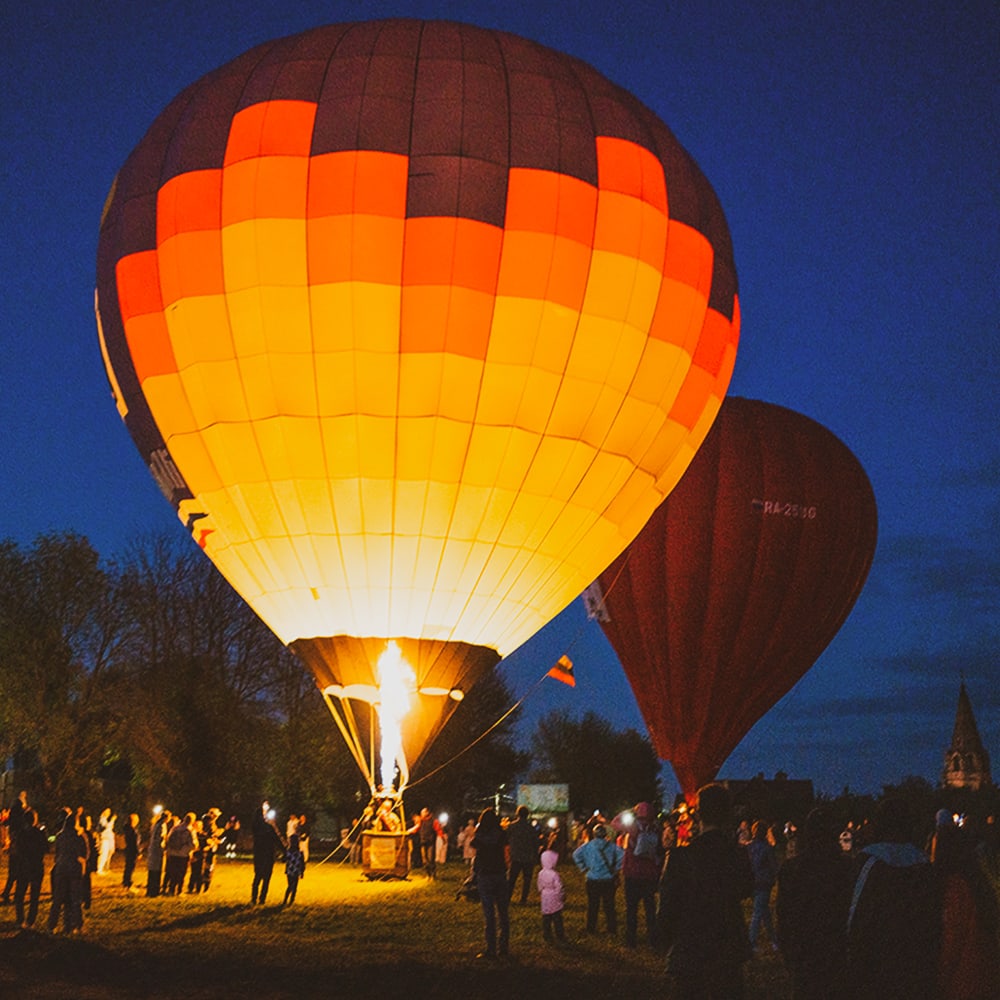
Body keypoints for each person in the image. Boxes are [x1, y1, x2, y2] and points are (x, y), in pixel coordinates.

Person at [658, 783, 754, 999]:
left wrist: (664, 940)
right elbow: (746, 887)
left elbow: (668, 906)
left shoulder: (679, 858)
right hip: (727, 948)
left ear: (698, 814)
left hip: (690, 948)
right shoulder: (738, 856)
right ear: (728, 814)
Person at [845, 795, 940, 999]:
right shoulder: (923, 864)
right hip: (916, 960)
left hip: (878, 960)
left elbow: (856, 911)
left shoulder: (869, 861)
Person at [775, 806, 854, 1000]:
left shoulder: (791, 869)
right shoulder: (847, 868)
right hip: (836, 952)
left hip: (804, 953)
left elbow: (783, 915)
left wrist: (788, 952)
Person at [931, 819, 999, 999]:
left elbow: (951, 940)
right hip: (986, 978)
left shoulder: (955, 889)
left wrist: (938, 980)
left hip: (962, 982)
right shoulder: (979, 883)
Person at [620, 801, 661, 948]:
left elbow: (614, 823)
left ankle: (631, 940)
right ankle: (653, 940)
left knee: (631, 909)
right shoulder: (656, 828)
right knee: (650, 909)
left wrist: (630, 811)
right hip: (649, 874)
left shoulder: (632, 827)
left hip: (632, 873)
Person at [471, 807, 510, 959]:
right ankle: (504, 947)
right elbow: (506, 852)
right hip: (499, 873)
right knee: (503, 913)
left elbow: (474, 851)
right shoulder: (502, 834)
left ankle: (491, 949)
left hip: (485, 875)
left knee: (489, 914)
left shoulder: (479, 835)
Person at [572, 822, 624, 934]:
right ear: (605, 834)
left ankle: (591, 928)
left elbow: (576, 855)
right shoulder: (611, 846)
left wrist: (584, 868)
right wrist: (616, 868)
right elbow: (622, 855)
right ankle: (611, 928)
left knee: (592, 905)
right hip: (608, 879)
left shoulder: (588, 845)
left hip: (592, 879)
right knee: (609, 905)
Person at [47, 810, 89, 935]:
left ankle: (52, 925)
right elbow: (85, 854)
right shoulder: (80, 836)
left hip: (61, 868)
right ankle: (78, 925)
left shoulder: (60, 836)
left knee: (58, 898)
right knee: (75, 899)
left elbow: (57, 852)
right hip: (74, 869)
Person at [746, 820, 779, 953]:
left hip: (753, 882)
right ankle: (751, 943)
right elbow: (773, 866)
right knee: (758, 913)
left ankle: (774, 940)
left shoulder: (749, 847)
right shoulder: (767, 848)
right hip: (764, 883)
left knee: (764, 912)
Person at [12, 808, 47, 929]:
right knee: (34, 895)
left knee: (20, 895)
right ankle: (30, 921)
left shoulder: (21, 834)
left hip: (24, 866)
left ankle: (20, 919)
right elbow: (45, 848)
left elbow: (18, 850)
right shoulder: (39, 833)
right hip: (36, 866)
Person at [250, 801, 285, 905]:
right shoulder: (269, 827)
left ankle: (253, 898)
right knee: (266, 877)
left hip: (258, 854)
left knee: (257, 876)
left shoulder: (255, 827)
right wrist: (285, 851)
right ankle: (262, 899)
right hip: (268, 854)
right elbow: (277, 839)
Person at [506, 805, 540, 904]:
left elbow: (506, 839)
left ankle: (508, 897)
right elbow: (536, 843)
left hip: (515, 856)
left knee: (511, 879)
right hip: (528, 857)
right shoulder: (531, 829)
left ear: (517, 814)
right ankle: (523, 899)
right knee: (527, 880)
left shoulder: (512, 826)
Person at [536, 848, 566, 943]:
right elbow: (559, 887)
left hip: (545, 896)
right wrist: (561, 895)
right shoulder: (554, 874)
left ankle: (547, 934)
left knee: (546, 918)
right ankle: (559, 935)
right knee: (557, 918)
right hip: (554, 896)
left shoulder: (541, 873)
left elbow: (539, 885)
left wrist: (541, 891)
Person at [163, 812, 196, 895]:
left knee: (173, 872)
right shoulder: (190, 830)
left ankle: (171, 889)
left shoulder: (175, 828)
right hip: (183, 855)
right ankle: (179, 890)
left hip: (173, 854)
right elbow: (193, 844)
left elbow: (169, 839)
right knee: (181, 873)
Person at [146, 808, 169, 897]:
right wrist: (164, 847)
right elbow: (161, 838)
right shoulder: (162, 825)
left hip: (153, 850)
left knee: (152, 871)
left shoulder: (156, 824)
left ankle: (150, 890)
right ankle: (154, 891)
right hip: (158, 851)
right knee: (156, 871)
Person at [283, 832, 306, 905]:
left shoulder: (289, 852)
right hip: (294, 871)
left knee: (290, 886)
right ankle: (289, 900)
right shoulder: (299, 853)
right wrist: (302, 872)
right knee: (293, 886)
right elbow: (302, 864)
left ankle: (288, 900)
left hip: (291, 871)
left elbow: (283, 860)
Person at [121, 813, 141, 891]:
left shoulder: (127, 829)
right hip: (132, 850)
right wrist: (138, 852)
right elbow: (135, 842)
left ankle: (125, 881)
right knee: (130, 867)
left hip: (128, 849)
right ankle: (128, 883)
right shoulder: (132, 830)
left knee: (128, 866)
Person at [96, 808, 117, 874]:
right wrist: (112, 820)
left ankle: (105, 867)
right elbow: (105, 827)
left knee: (108, 853)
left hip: (108, 838)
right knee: (103, 854)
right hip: (105, 839)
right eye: (107, 811)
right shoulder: (102, 819)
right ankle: (100, 869)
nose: (108, 813)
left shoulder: (104, 819)